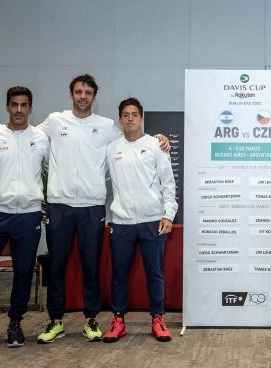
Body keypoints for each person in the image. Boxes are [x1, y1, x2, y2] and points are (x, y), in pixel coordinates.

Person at [37, 74, 170, 344]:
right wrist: (0, 129)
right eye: (78, 91)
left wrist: (161, 138)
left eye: (88, 92)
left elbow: (148, 158)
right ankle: (57, 321)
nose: (83, 96)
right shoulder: (55, 121)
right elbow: (28, 136)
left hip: (96, 208)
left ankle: (94, 319)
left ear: (94, 97)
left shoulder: (110, 129)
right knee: (58, 267)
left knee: (92, 266)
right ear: (72, 93)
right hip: (62, 206)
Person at [102, 98, 177, 343]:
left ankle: (158, 319)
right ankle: (118, 319)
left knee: (154, 273)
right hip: (122, 222)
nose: (130, 118)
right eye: (126, 114)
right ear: (120, 119)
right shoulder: (111, 149)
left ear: (142, 118)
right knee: (119, 275)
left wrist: (168, 214)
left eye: (135, 114)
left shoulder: (156, 145)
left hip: (152, 221)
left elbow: (168, 183)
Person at [0, 86, 49, 347]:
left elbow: (53, 169)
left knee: (23, 273)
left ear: (30, 108)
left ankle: (15, 324)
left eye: (24, 105)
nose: (19, 110)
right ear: (7, 107)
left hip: (28, 216)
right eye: (14, 105)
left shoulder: (41, 138)